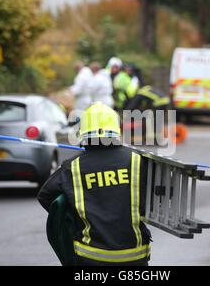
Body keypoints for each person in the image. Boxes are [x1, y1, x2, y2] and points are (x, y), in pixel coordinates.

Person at [37, 102, 152, 266]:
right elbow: (160, 195)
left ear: (82, 134)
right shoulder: (137, 160)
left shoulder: (73, 167)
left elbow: (45, 195)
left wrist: (73, 215)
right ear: (116, 131)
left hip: (90, 258)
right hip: (134, 256)